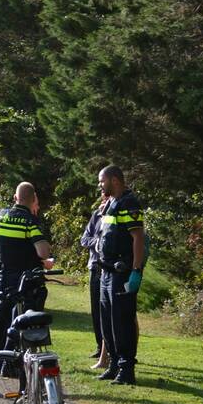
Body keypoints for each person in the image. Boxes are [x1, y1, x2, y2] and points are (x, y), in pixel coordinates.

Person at [0, 182, 53, 394]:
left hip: (4, 281)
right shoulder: (30, 222)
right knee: (28, 328)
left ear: (15, 198)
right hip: (26, 283)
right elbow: (42, 252)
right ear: (33, 199)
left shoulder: (0, 216)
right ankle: (22, 377)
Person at [96, 165, 146, 385]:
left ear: (115, 180)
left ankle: (126, 370)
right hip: (106, 272)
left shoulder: (129, 203)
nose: (100, 185)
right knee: (107, 322)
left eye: (102, 181)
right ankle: (114, 364)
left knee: (122, 322)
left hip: (122, 272)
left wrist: (136, 271)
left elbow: (138, 238)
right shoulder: (111, 204)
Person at [80, 192, 109, 369]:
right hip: (95, 268)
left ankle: (110, 351)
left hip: (108, 269)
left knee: (107, 311)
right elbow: (84, 239)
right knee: (96, 311)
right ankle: (100, 347)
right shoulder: (96, 215)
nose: (103, 200)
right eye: (102, 198)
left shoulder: (116, 215)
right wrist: (97, 243)